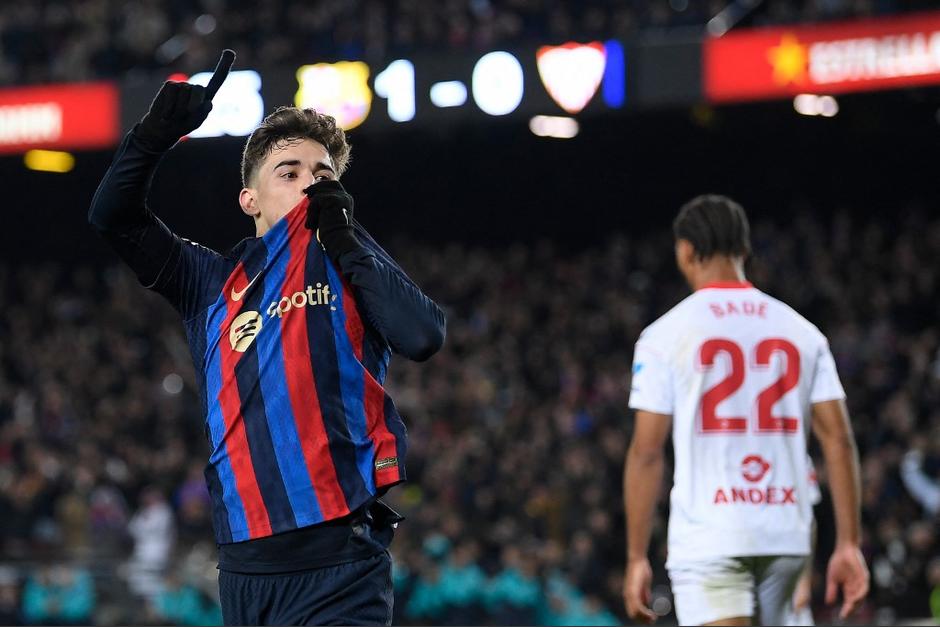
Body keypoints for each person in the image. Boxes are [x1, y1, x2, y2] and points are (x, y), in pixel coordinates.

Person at [88, 50, 446, 626]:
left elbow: (423, 335)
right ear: (249, 200)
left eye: (323, 174)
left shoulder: (351, 264)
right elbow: (113, 218)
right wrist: (151, 138)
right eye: (289, 172)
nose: (310, 184)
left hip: (340, 564)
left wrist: (345, 237)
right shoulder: (208, 281)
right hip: (244, 570)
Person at [622, 195, 868, 626]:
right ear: (744, 249)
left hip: (711, 535)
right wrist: (848, 543)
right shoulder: (803, 332)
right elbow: (838, 439)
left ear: (685, 251)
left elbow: (646, 452)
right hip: (785, 532)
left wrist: (636, 556)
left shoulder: (664, 336)